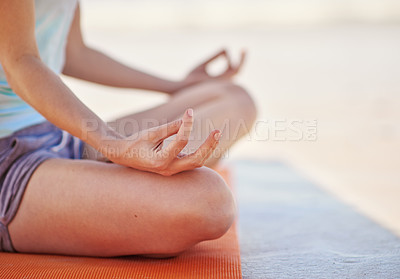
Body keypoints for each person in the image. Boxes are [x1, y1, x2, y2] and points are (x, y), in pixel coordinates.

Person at [0, 0, 256, 257]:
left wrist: (175, 86)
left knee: (235, 100)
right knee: (210, 202)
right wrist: (111, 143)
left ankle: (139, 181)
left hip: (57, 131)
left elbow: (74, 52)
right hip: (7, 161)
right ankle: (136, 190)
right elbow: (20, 61)